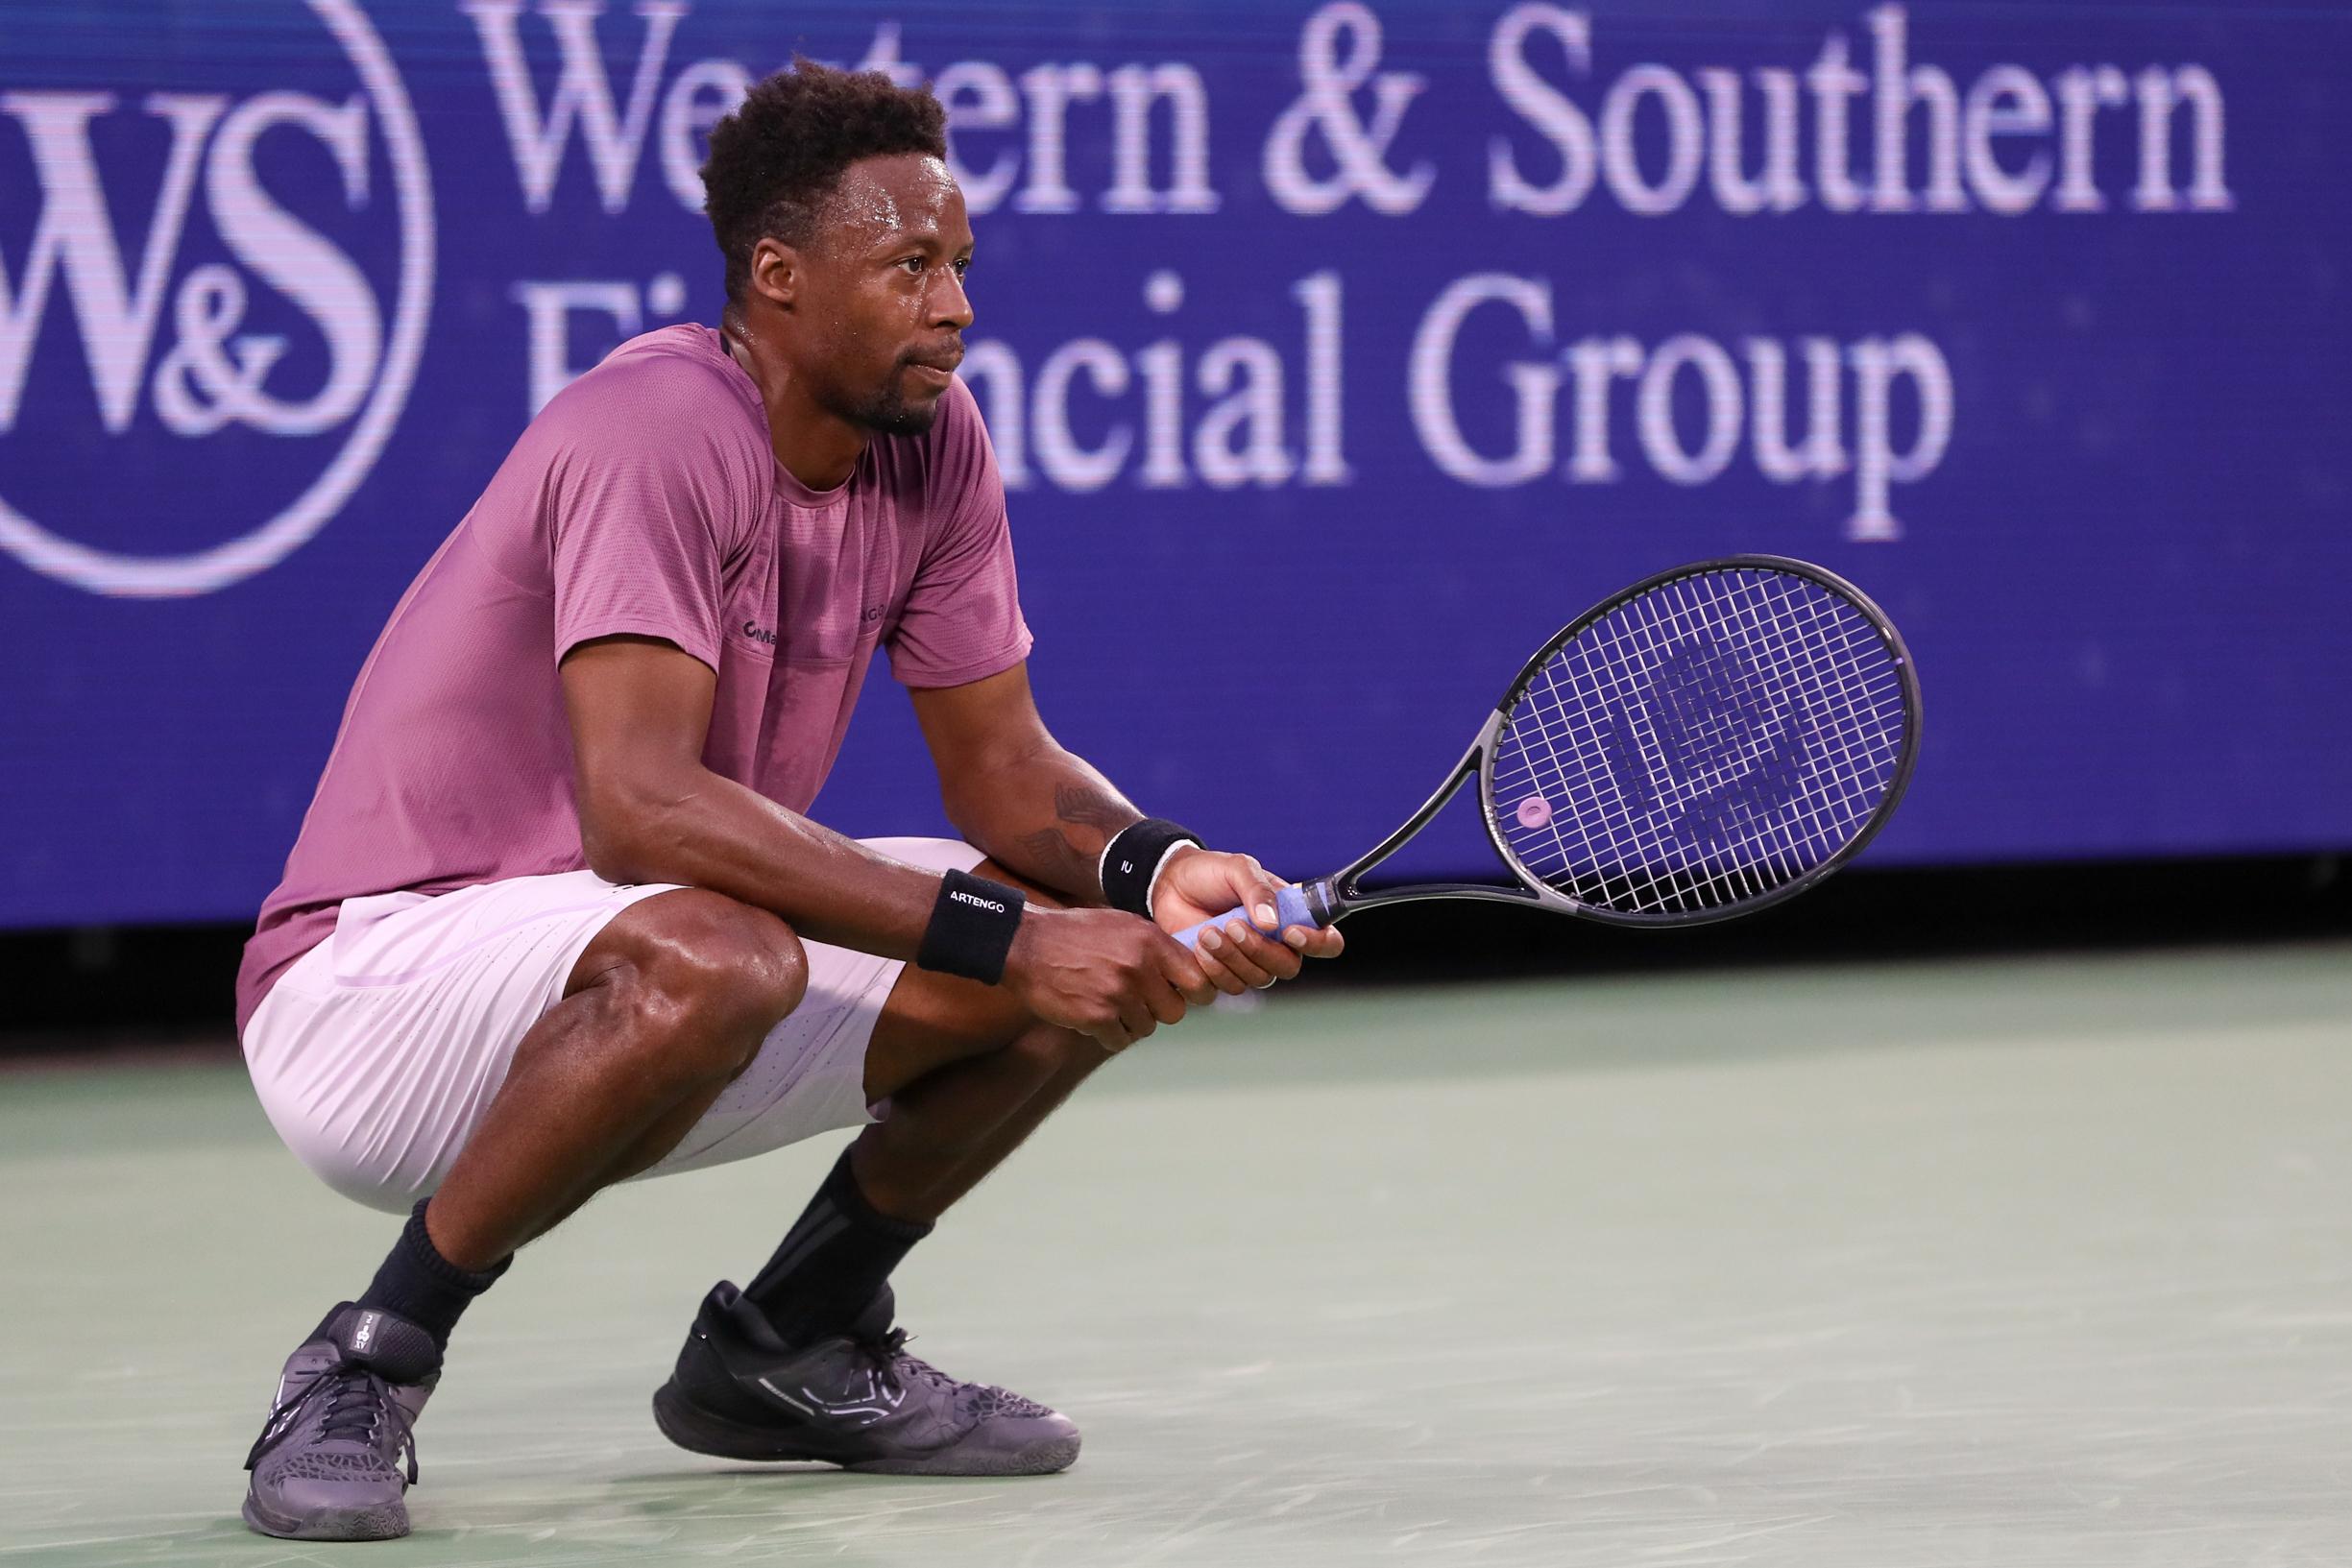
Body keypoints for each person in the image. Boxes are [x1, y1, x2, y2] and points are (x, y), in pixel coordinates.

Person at [232, 60, 1343, 1542]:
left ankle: (792, 1341)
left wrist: (1159, 869)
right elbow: (638, 811)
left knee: (1074, 932)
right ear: (776, 274)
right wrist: (1009, 947)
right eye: (908, 266)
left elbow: (1005, 774)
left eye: (958, 265)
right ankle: (367, 1359)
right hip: (373, 987)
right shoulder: (653, 425)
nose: (953, 304)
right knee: (755, 946)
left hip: (640, 973)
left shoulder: (934, 446)